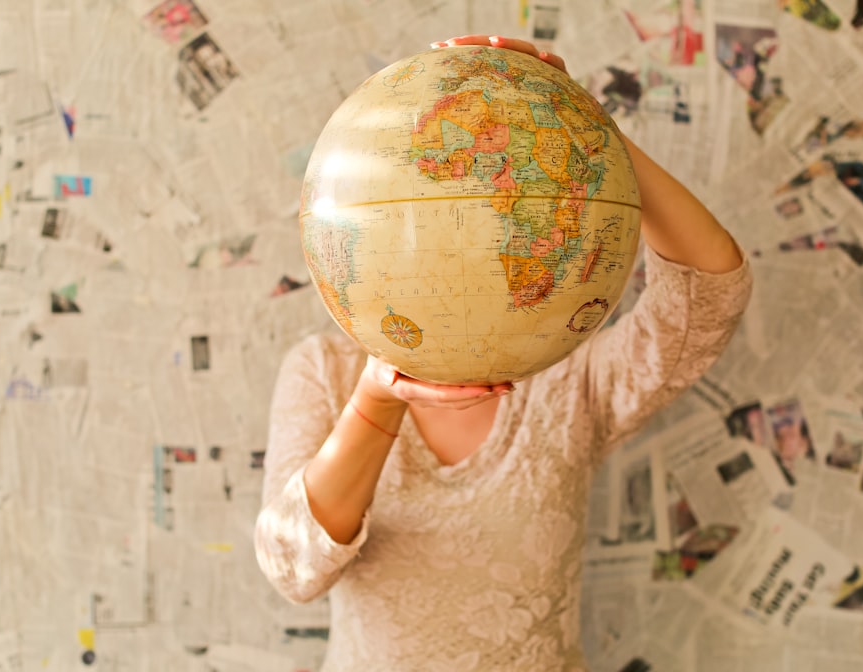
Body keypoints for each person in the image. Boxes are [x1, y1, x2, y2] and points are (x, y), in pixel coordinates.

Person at [254, 35, 752, 671]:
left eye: (487, 209)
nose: (452, 237)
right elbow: (293, 570)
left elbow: (710, 292)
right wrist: (379, 398)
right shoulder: (324, 372)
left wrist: (587, 134)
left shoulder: (569, 377)